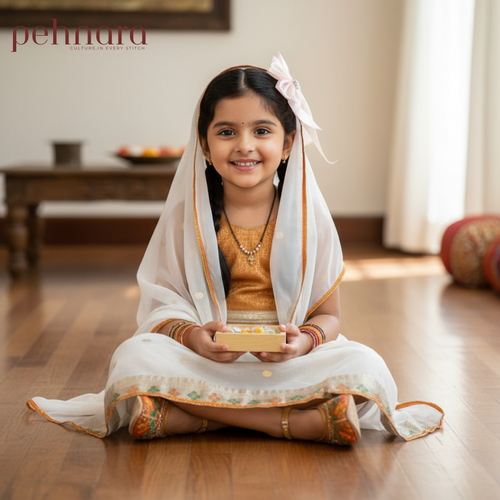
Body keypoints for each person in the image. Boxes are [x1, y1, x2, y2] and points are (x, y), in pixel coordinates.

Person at [27, 55, 444, 444]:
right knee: (133, 357)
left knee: (365, 364)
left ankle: (185, 417)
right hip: (207, 359)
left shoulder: (310, 222)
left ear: (287, 144)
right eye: (227, 132)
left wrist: (302, 344)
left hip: (287, 361)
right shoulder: (185, 220)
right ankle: (299, 423)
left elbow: (329, 316)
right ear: (205, 146)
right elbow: (163, 305)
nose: (244, 145)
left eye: (261, 130)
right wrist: (192, 336)